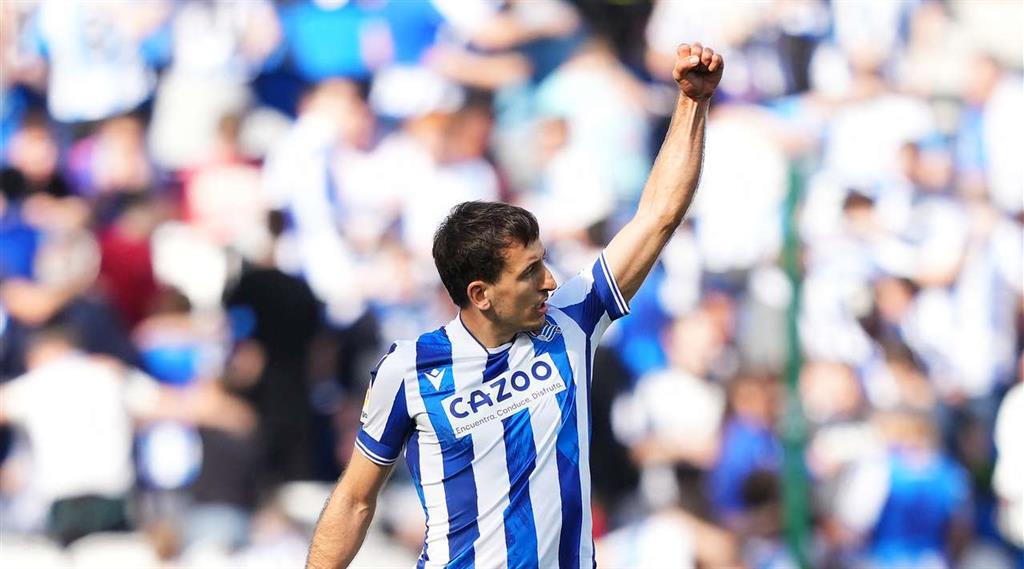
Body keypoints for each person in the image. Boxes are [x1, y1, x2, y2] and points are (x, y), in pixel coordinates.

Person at [306, 42, 724, 569]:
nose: (550, 281)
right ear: (480, 294)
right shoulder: (409, 370)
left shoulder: (572, 321)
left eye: (542, 262)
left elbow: (658, 216)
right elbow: (354, 500)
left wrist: (692, 103)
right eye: (529, 273)